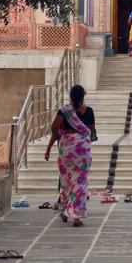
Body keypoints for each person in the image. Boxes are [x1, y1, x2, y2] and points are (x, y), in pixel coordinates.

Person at [44, 84, 94, 225]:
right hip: (83, 149)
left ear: (70, 96)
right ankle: (76, 217)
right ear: (83, 96)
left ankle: (63, 210)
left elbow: (54, 128)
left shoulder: (64, 110)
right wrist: (86, 137)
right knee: (80, 181)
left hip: (66, 149)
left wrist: (52, 144)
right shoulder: (89, 111)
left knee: (65, 179)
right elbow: (92, 131)